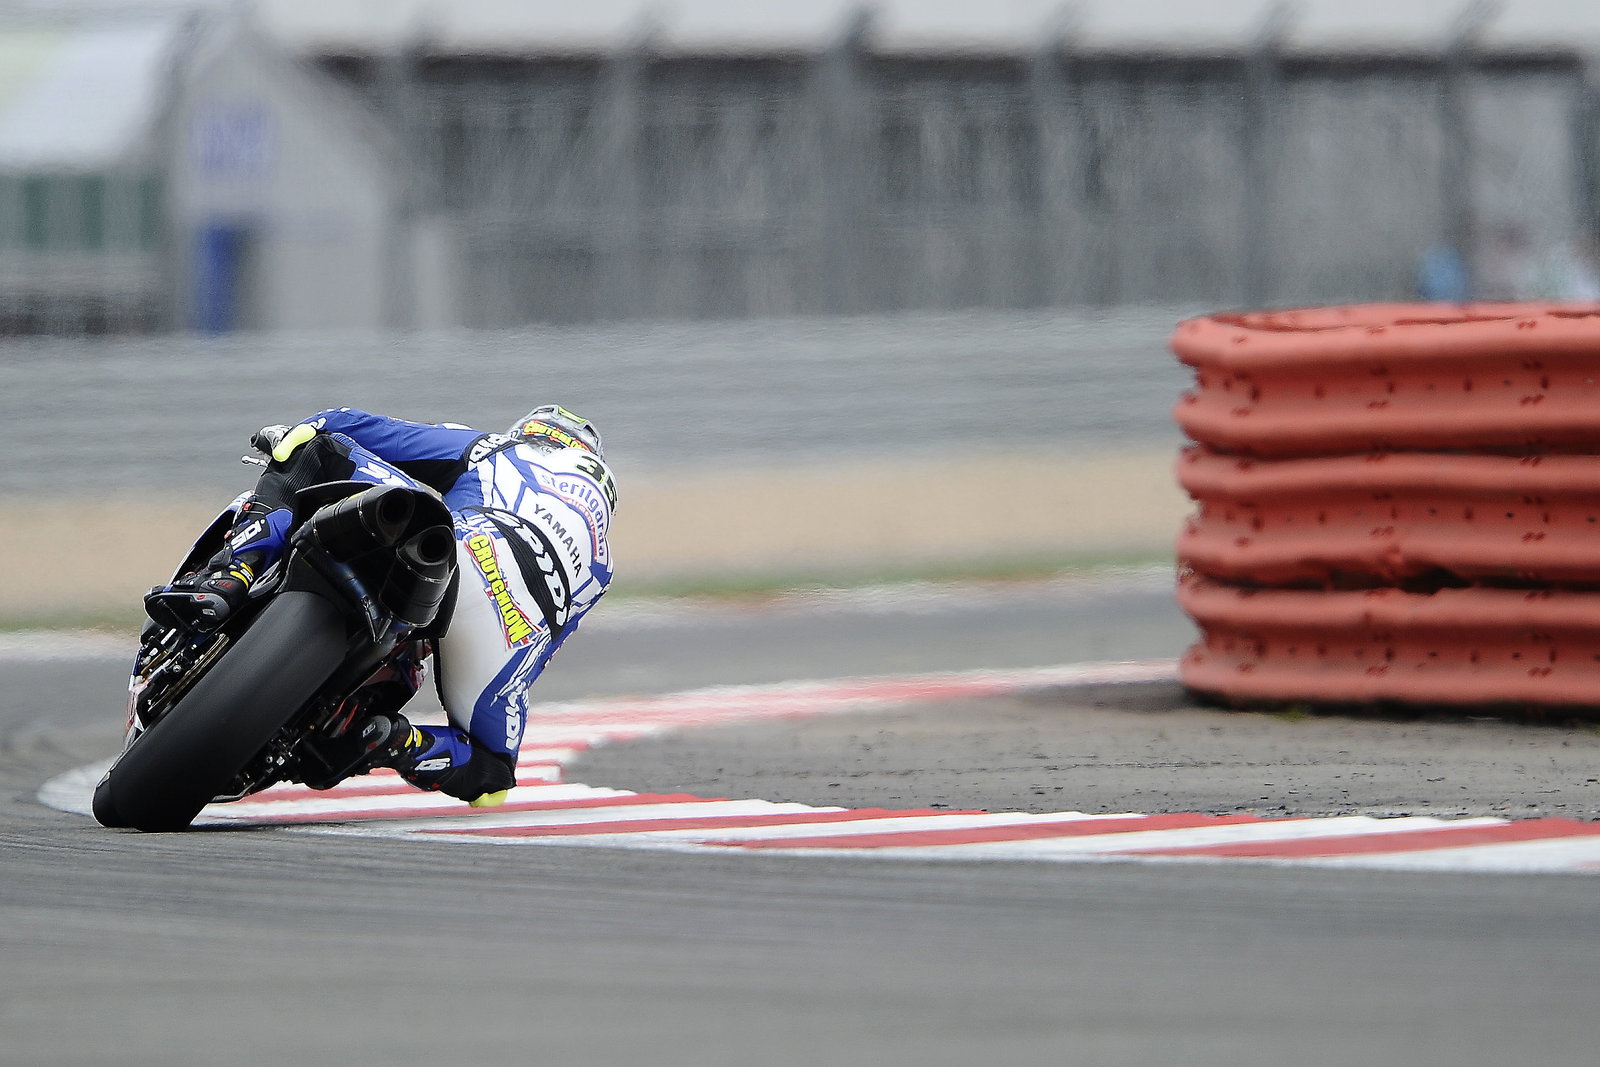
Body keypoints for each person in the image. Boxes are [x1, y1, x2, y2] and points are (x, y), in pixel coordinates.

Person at [143, 405, 618, 808]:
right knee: (492, 777)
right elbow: (545, 646)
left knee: (315, 446)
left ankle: (232, 576)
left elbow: (351, 424)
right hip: (511, 627)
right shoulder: (602, 565)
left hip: (465, 548)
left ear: (535, 434)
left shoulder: (502, 448)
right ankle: (395, 740)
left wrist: (298, 432)